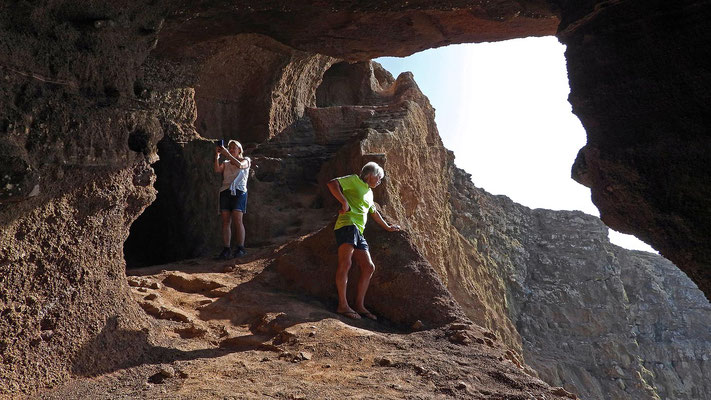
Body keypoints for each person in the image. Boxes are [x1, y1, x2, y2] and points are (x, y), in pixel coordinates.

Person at [326, 162, 401, 320]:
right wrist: (344, 202)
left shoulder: (369, 193)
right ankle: (343, 305)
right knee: (345, 263)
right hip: (347, 225)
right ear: (370, 175)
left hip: (358, 231)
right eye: (379, 177)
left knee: (368, 267)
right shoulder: (354, 180)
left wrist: (387, 227)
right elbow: (332, 184)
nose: (380, 181)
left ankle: (359, 306)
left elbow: (374, 213)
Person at [214, 140, 251, 259]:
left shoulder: (246, 160)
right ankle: (226, 248)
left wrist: (227, 154)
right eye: (229, 148)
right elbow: (217, 170)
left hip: (239, 191)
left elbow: (240, 165)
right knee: (226, 221)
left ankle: (240, 248)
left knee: (237, 219)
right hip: (225, 191)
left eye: (234, 148)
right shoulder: (226, 162)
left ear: (239, 149)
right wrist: (217, 156)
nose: (231, 150)